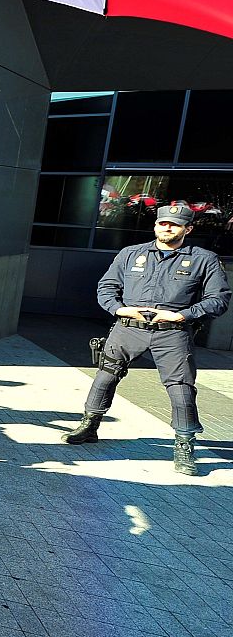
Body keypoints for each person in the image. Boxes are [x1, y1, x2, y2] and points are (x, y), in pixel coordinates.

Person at [59, 203, 230, 474]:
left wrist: (182, 316)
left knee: (180, 388)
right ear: (155, 225)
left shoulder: (203, 259)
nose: (167, 228)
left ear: (188, 229)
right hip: (128, 328)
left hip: (173, 333)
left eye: (174, 225)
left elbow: (219, 299)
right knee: (105, 376)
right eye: (163, 223)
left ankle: (184, 444)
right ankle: (89, 425)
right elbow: (107, 286)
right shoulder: (131, 253)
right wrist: (118, 308)